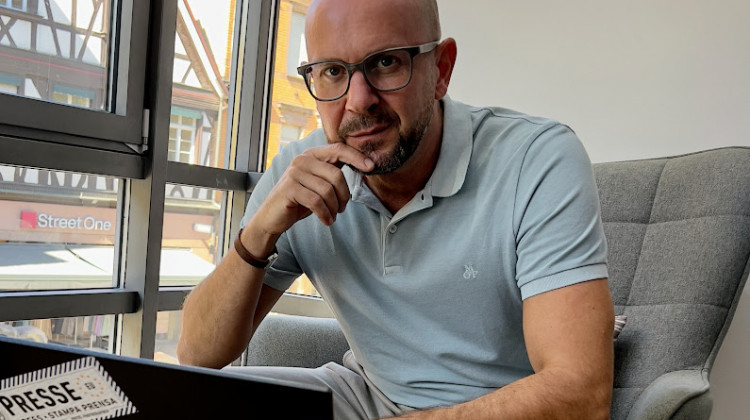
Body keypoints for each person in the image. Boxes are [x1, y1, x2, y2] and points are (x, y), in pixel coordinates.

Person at [177, 0, 615, 418]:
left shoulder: (535, 159)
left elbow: (580, 396)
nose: (358, 100)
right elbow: (197, 355)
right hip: (364, 397)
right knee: (190, 404)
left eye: (386, 63)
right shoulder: (301, 175)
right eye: (333, 71)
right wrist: (259, 235)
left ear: (441, 70)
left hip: (501, 410)